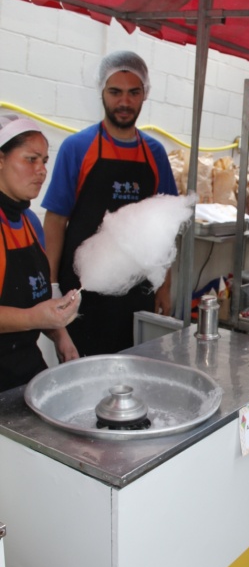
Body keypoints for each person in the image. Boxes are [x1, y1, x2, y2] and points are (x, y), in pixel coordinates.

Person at [42, 51, 178, 356]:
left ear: (145, 95)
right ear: (102, 92)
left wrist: (165, 287)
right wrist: (50, 286)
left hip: (138, 292)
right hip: (82, 293)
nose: (125, 102)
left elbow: (166, 230)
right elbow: (55, 221)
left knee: (136, 372)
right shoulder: (77, 148)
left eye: (134, 92)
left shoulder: (154, 154)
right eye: (115, 92)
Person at [0, 114, 80, 391]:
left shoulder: (30, 222)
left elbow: (37, 296)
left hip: (23, 368)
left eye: (44, 161)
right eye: (30, 159)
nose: (42, 171)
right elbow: (33, 312)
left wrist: (60, 335)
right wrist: (36, 318)